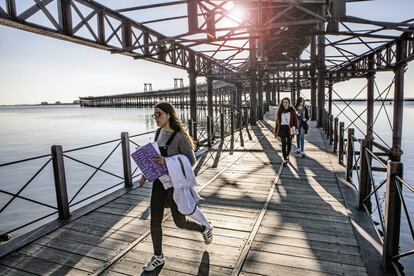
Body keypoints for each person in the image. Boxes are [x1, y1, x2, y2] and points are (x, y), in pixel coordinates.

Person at [138, 102, 213, 272]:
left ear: (168, 115)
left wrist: (168, 161)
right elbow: (154, 158)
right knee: (154, 220)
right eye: (154, 115)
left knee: (180, 222)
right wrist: (145, 175)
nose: (155, 118)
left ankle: (204, 227)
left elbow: (191, 160)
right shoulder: (158, 133)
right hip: (158, 184)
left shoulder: (180, 137)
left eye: (158, 114)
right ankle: (158, 256)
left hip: (175, 186)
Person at [274, 97, 298, 164]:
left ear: (289, 103)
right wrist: (276, 131)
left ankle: (287, 155)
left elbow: (295, 121)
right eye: (284, 102)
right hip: (281, 128)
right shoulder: (280, 110)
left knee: (289, 143)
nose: (285, 104)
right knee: (284, 143)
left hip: (289, 128)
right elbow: (277, 121)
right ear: (282, 103)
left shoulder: (292, 110)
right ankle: (285, 158)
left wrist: (296, 128)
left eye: (286, 102)